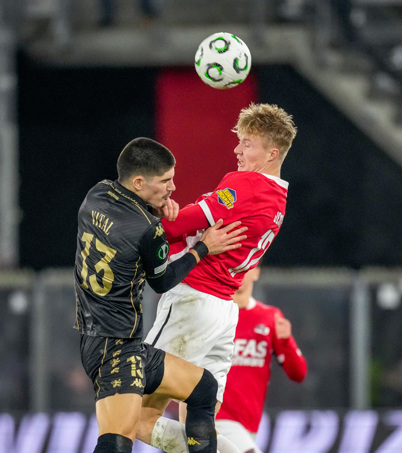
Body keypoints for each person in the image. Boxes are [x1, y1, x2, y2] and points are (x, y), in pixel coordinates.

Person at [138, 103, 297, 452]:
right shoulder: (278, 197)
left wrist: (142, 222)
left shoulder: (246, 185)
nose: (237, 150)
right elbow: (193, 225)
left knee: (135, 415)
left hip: (193, 303)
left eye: (247, 144)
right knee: (196, 423)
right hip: (223, 312)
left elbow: (179, 226)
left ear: (272, 153)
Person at [74, 137, 247, 453]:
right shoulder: (147, 230)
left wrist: (152, 209)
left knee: (204, 388)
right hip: (117, 348)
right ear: (139, 182)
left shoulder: (96, 194)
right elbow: (163, 281)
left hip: (100, 337)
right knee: (117, 442)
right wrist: (202, 248)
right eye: (165, 181)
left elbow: (127, 222)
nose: (173, 187)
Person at [216, 266, 307, 453]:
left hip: (249, 424)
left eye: (247, 264)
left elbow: (298, 373)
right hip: (216, 416)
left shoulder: (269, 317)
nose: (240, 268)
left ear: (256, 271)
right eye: (236, 262)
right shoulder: (213, 313)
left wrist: (286, 342)